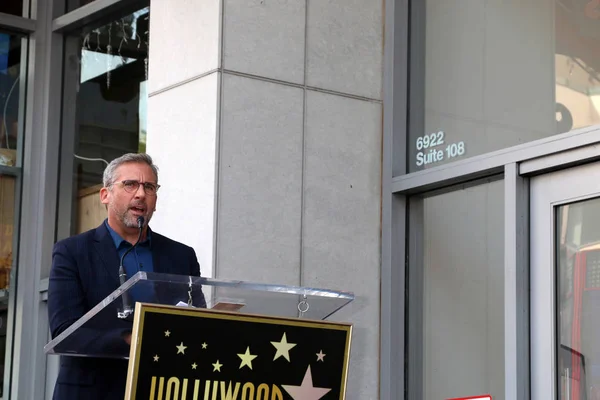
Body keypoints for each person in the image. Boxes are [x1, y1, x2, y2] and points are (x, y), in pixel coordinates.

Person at [47, 153, 206, 400]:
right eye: (130, 184)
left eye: (149, 187)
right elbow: (64, 331)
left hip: (160, 389)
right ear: (105, 195)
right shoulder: (72, 252)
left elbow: (196, 320)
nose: (141, 194)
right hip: (92, 391)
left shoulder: (181, 255)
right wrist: (131, 339)